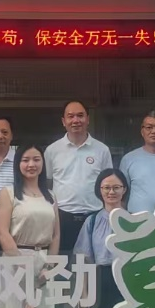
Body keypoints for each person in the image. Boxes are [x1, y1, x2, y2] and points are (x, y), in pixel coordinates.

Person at [0, 144, 60, 308]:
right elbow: (2, 232)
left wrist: (50, 265)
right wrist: (21, 262)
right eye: (25, 160)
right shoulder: (8, 193)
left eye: (36, 160)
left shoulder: (51, 196)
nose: (31, 164)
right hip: (15, 262)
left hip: (43, 263)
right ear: (18, 164)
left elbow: (56, 234)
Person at [44, 100, 112, 253]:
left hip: (94, 217)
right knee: (64, 261)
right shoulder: (52, 150)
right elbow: (47, 183)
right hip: (62, 218)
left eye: (80, 116)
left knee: (94, 262)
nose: (76, 120)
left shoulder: (102, 150)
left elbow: (108, 184)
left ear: (88, 119)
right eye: (71, 116)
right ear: (63, 121)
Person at [74, 168, 128, 308]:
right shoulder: (91, 222)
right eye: (106, 188)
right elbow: (83, 261)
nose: (111, 192)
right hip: (99, 281)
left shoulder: (134, 220)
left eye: (116, 187)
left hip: (128, 280)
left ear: (124, 189)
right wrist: (83, 296)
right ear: (100, 190)